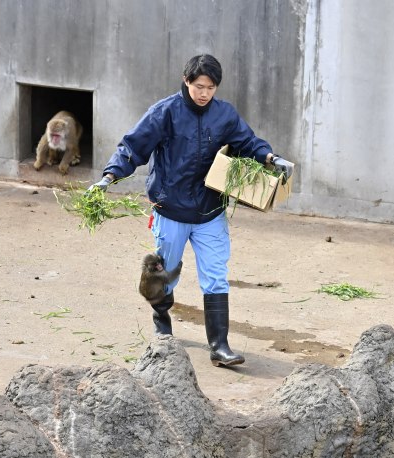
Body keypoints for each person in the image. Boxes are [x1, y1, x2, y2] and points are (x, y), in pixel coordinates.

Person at [91, 54, 294, 367]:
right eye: (199, 86)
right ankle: (161, 320)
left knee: (215, 275)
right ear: (186, 81)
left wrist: (270, 157)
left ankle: (220, 345)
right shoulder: (165, 112)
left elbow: (247, 142)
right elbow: (134, 147)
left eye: (210, 87)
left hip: (209, 210)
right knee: (165, 272)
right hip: (170, 207)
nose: (204, 93)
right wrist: (109, 176)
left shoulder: (224, 114)